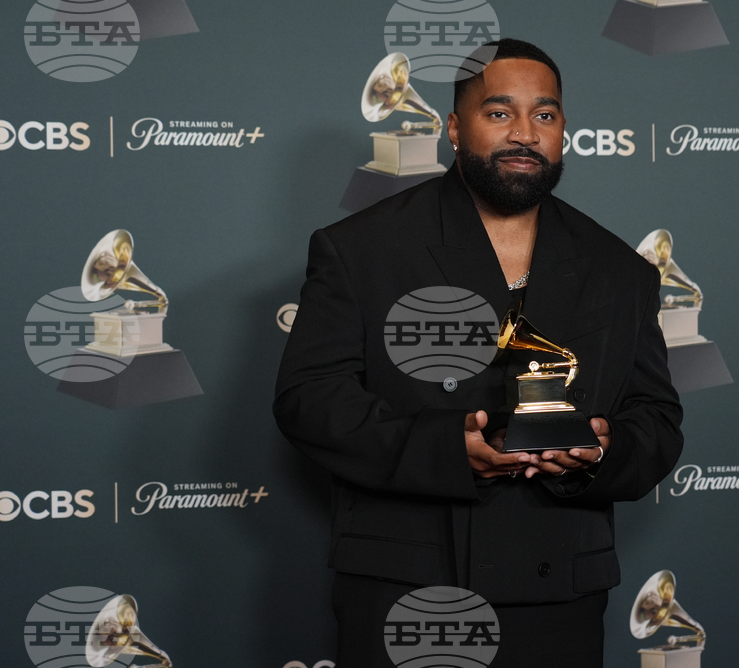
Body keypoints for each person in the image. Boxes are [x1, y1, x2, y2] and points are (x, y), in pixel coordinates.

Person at [275, 39, 683, 667]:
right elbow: (308, 400)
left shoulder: (620, 270)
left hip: (559, 594)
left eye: (544, 115)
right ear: (454, 129)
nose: (525, 133)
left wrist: (600, 453)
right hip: (407, 588)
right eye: (499, 113)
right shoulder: (359, 249)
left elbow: (656, 419)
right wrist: (445, 451)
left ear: (563, 130)